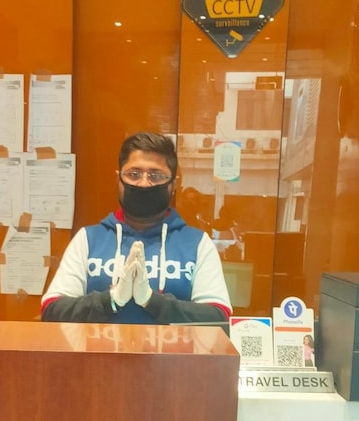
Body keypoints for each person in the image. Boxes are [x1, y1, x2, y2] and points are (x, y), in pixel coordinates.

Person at [41, 132, 232, 325]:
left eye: (156, 176)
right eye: (134, 174)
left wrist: (152, 301)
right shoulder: (88, 240)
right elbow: (52, 310)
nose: (144, 183)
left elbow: (217, 317)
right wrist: (111, 300)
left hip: (173, 347)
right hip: (99, 347)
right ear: (119, 179)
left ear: (173, 184)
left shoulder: (197, 243)